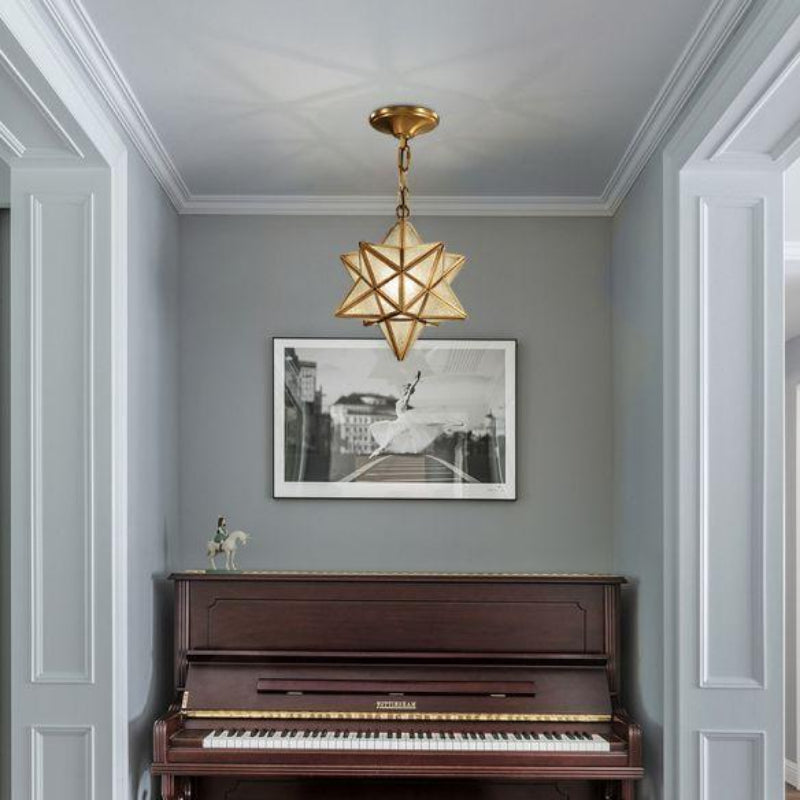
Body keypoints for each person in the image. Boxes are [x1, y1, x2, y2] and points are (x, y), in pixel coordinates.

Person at [369, 371, 465, 458]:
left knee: (391, 437)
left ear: (407, 391)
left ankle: (378, 451)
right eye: (404, 389)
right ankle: (379, 451)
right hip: (403, 421)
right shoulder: (401, 399)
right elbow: (407, 392)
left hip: (404, 421)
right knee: (431, 426)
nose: (404, 391)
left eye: (405, 390)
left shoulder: (405, 399)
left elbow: (409, 393)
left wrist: (416, 381)